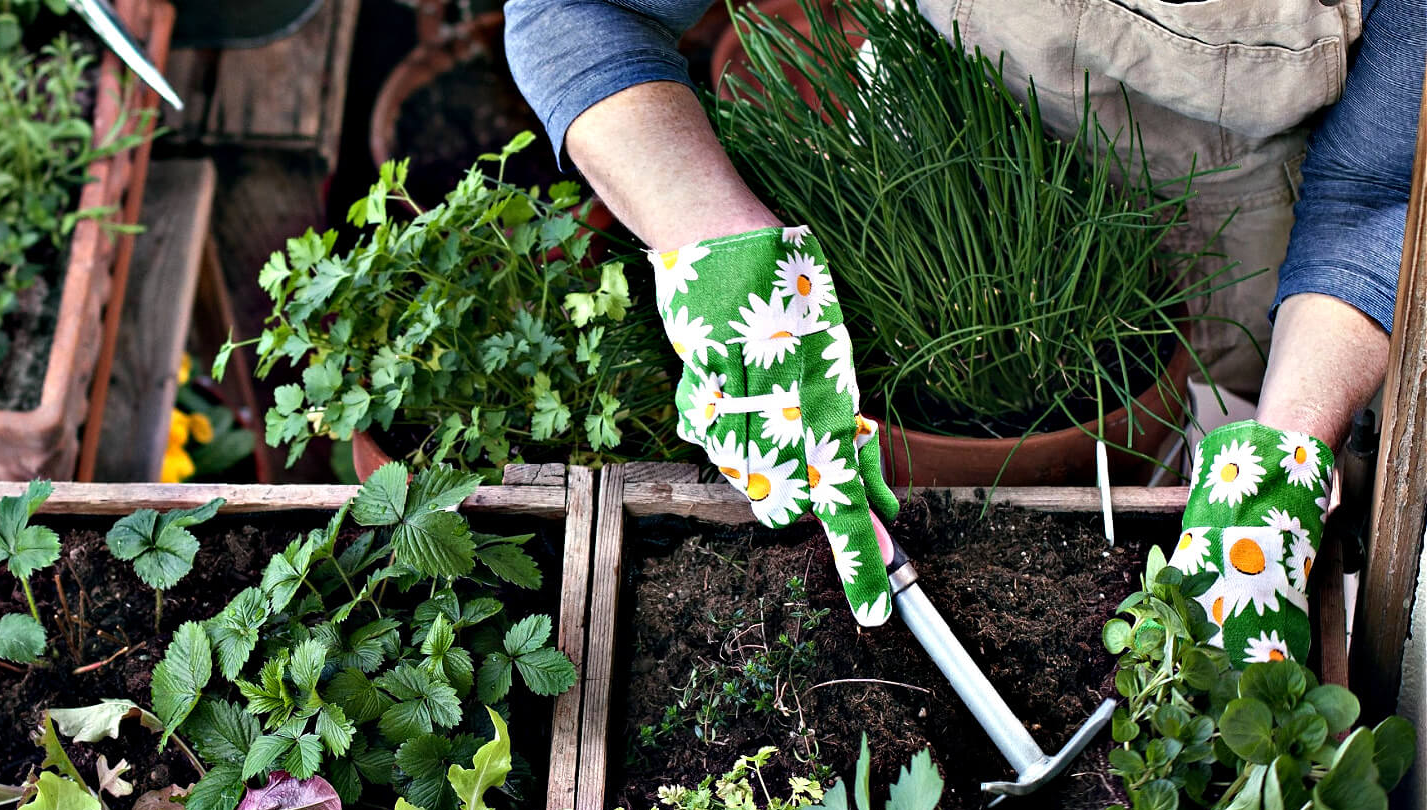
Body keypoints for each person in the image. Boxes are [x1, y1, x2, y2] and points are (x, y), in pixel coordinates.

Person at [504, 0, 1424, 664]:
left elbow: (1378, 189)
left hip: (1244, 239)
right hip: (943, 180)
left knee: (1194, 452)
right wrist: (720, 252)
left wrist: (1289, 442)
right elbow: (576, 10)